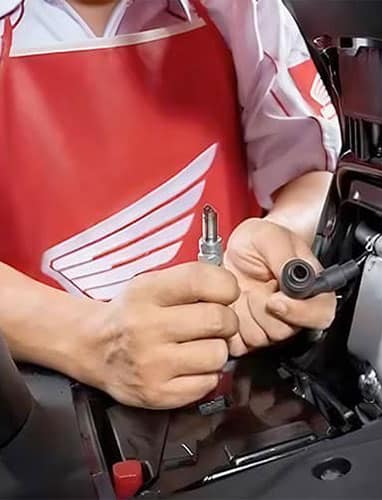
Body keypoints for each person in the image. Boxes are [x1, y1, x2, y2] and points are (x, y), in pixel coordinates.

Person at [0, 0, 341, 409]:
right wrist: (87, 336)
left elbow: (315, 176)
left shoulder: (241, 9)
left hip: (236, 381)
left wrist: (280, 241)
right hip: (39, 402)